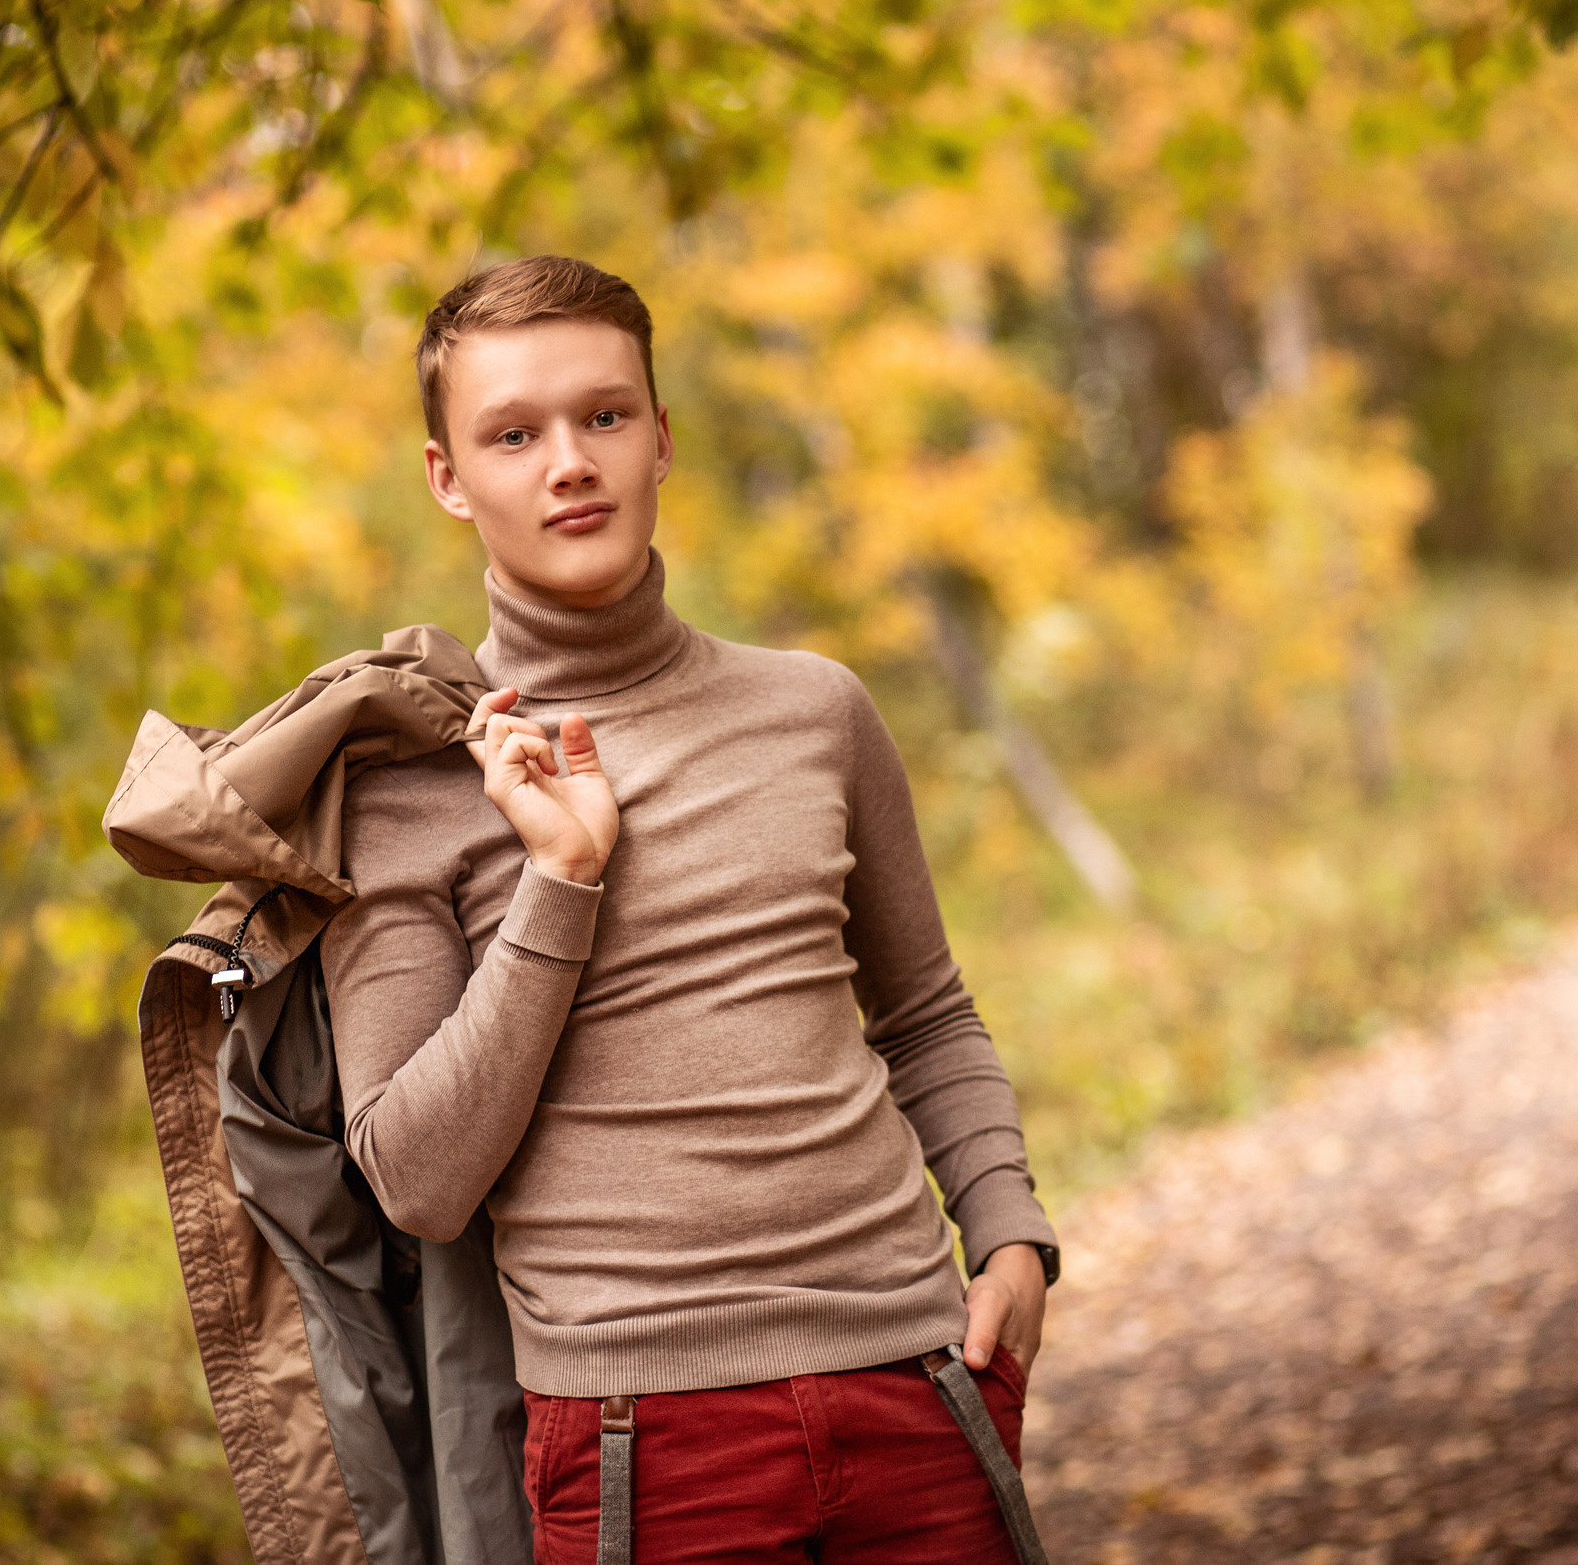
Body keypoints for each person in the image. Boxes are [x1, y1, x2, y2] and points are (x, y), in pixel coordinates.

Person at [324, 255, 1060, 1562]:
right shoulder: (409, 788)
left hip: (918, 1379)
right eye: (512, 433)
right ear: (447, 477)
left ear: (662, 438)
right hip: (639, 1444)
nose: (569, 462)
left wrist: (1008, 1233)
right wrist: (560, 882)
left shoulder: (814, 710)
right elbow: (415, 1181)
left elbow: (929, 1015)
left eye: (603, 416)